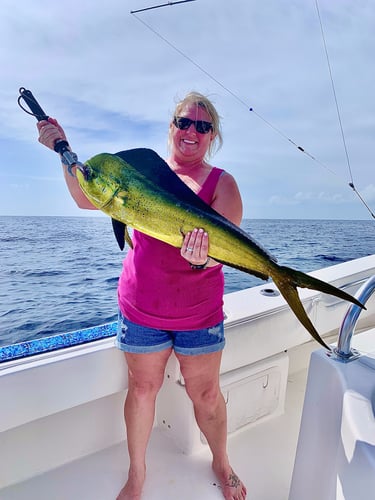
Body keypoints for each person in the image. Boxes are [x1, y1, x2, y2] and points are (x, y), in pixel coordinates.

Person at [37, 91, 246, 500]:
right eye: (184, 122)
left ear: (212, 136)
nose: (192, 132)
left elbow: (228, 252)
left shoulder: (224, 184)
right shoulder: (137, 173)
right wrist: (62, 150)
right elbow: (86, 196)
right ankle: (137, 474)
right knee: (143, 389)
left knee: (205, 394)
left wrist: (203, 260)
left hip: (199, 315)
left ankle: (220, 461)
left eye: (203, 127)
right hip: (141, 310)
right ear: (171, 126)